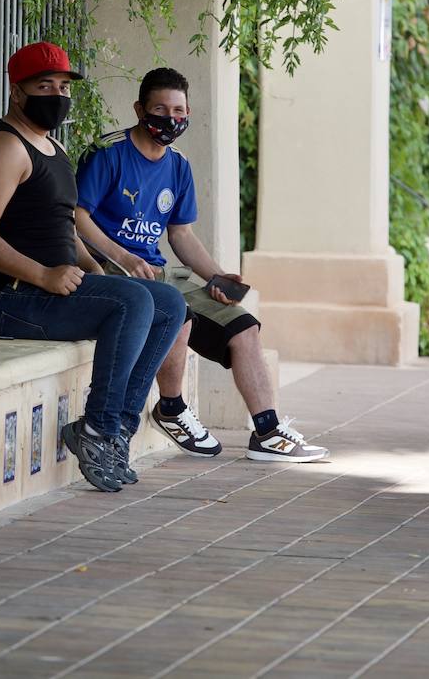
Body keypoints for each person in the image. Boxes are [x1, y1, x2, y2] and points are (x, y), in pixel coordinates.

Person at [0, 42, 188, 493]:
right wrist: (41, 274)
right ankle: (98, 427)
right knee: (134, 302)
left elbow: (63, 225)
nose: (57, 95)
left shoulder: (52, 146)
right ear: (16, 91)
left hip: (53, 290)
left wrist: (95, 268)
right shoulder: (5, 147)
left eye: (63, 86)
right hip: (13, 299)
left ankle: (116, 427)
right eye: (45, 86)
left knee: (168, 303)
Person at [75, 67, 328, 463]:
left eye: (178, 110)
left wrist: (216, 275)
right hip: (115, 272)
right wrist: (122, 257)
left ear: (188, 111)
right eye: (160, 109)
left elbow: (181, 235)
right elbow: (78, 216)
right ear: (140, 109)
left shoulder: (178, 166)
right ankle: (171, 407)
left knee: (243, 326)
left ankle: (267, 431)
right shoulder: (108, 154)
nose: (170, 119)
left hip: (161, 272)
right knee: (178, 312)